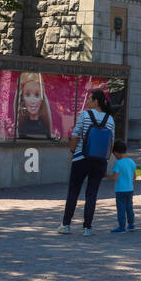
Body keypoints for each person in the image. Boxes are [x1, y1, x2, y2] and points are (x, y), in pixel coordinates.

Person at [58, 89, 115, 236]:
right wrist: (106, 159)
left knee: (73, 192)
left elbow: (75, 135)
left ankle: (66, 225)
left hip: (81, 159)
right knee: (92, 194)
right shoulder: (110, 119)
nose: (88, 101)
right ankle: (87, 227)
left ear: (96, 101)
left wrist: (72, 153)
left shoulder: (85, 115)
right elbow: (111, 142)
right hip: (99, 161)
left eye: (90, 98)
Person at [106, 139, 137, 233]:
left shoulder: (118, 163)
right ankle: (131, 225)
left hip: (120, 190)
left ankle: (122, 226)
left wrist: (106, 175)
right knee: (129, 207)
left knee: (121, 209)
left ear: (116, 153)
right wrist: (132, 185)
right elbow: (135, 175)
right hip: (130, 189)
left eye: (114, 155)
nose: (115, 157)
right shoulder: (131, 161)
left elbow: (114, 177)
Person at [15, 72, 56, 141]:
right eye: (27, 95)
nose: (32, 101)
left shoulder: (46, 127)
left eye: (37, 95)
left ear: (42, 98)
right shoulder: (21, 128)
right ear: (22, 98)